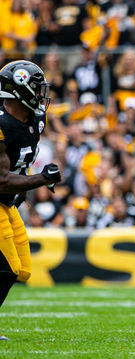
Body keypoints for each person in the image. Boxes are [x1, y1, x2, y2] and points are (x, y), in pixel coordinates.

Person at [0, 60, 61, 340]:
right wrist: (41, 180)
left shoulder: (36, 119)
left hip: (7, 202)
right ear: (19, 90)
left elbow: (20, 163)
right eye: (36, 89)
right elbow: (1, 179)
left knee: (22, 269)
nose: (40, 95)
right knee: (7, 266)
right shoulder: (2, 124)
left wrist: (27, 185)